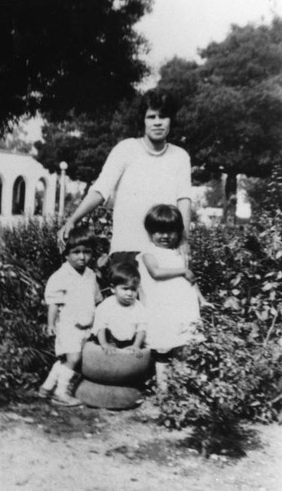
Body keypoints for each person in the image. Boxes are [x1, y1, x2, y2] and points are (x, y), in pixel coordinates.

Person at [59, 87, 192, 266]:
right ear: (143, 121)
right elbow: (100, 190)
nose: (158, 122)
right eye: (151, 117)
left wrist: (183, 240)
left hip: (165, 251)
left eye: (163, 116)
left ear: (171, 120)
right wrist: (73, 220)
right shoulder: (125, 149)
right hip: (127, 249)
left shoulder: (180, 156)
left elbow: (184, 200)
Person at [136, 204, 212, 392]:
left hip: (182, 308)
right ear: (150, 232)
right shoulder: (148, 253)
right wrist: (182, 270)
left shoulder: (179, 254)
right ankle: (163, 389)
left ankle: (182, 387)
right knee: (163, 347)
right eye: (159, 232)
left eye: (170, 231)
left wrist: (202, 300)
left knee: (184, 345)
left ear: (178, 232)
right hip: (161, 308)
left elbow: (191, 280)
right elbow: (155, 272)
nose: (165, 236)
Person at [38, 226, 102, 407]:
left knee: (65, 360)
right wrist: (51, 324)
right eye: (76, 252)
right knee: (74, 359)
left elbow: (96, 299)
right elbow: (54, 303)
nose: (82, 257)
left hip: (86, 327)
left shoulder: (90, 275)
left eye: (87, 252)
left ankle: (46, 386)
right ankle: (61, 392)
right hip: (68, 326)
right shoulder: (61, 276)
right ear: (66, 254)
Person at [92, 262, 147, 353]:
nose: (129, 293)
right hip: (110, 340)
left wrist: (136, 345)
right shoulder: (107, 305)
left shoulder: (138, 306)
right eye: (125, 289)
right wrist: (104, 344)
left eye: (133, 289)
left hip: (130, 341)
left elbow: (142, 328)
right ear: (113, 288)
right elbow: (100, 326)